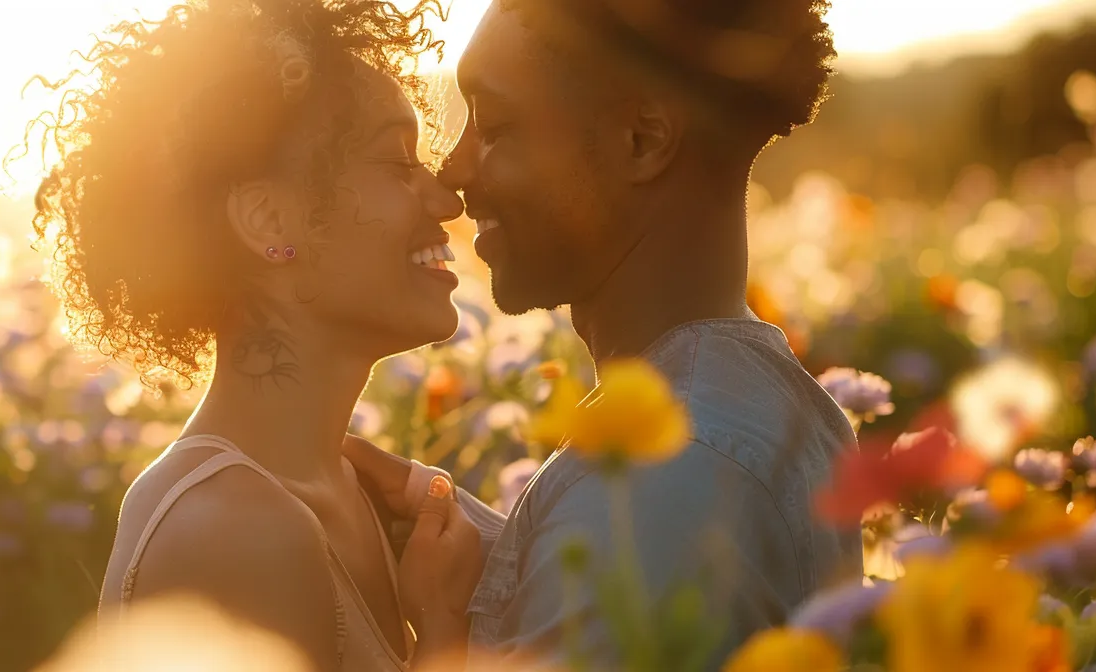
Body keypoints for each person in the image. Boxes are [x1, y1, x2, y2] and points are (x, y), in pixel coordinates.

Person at [342, 0, 865, 667]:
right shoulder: (744, 406)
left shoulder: (661, 484)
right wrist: (478, 536)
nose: (455, 171)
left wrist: (442, 630)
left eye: (496, 126)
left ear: (642, 140)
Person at [27, 0, 486, 669]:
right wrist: (445, 635)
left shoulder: (348, 496)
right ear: (269, 221)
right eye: (396, 163)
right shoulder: (233, 531)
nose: (446, 201)